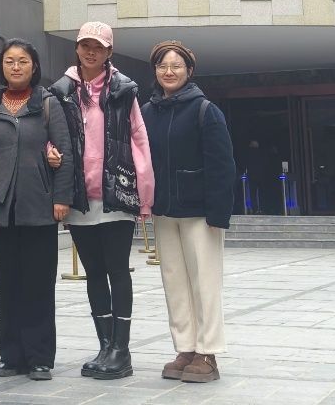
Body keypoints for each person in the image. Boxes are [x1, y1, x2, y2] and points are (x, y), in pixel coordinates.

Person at [47, 21, 154, 380]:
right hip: (79, 195)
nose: (91, 52)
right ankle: (105, 347)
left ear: (109, 52)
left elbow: (139, 138)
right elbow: (51, 134)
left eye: (99, 47)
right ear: (77, 48)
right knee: (93, 272)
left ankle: (121, 350)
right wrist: (49, 150)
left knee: (117, 270)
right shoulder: (61, 90)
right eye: (85, 45)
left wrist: (144, 195)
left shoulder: (123, 90)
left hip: (116, 192)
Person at [0, 39, 73, 381]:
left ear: (34, 66)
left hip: (39, 206)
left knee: (38, 286)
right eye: (9, 61)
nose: (16, 67)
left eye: (23, 61)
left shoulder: (47, 103)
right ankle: (11, 355)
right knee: (8, 286)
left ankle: (40, 357)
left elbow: (64, 152)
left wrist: (61, 198)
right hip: (2, 209)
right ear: (2, 67)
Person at [140, 40, 237, 384]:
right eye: (162, 66)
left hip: (200, 213)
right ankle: (185, 348)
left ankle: (207, 352)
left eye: (176, 66)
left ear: (189, 71)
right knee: (174, 282)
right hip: (164, 211)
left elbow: (222, 165)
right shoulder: (147, 112)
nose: (169, 72)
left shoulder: (205, 110)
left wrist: (218, 214)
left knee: (204, 283)